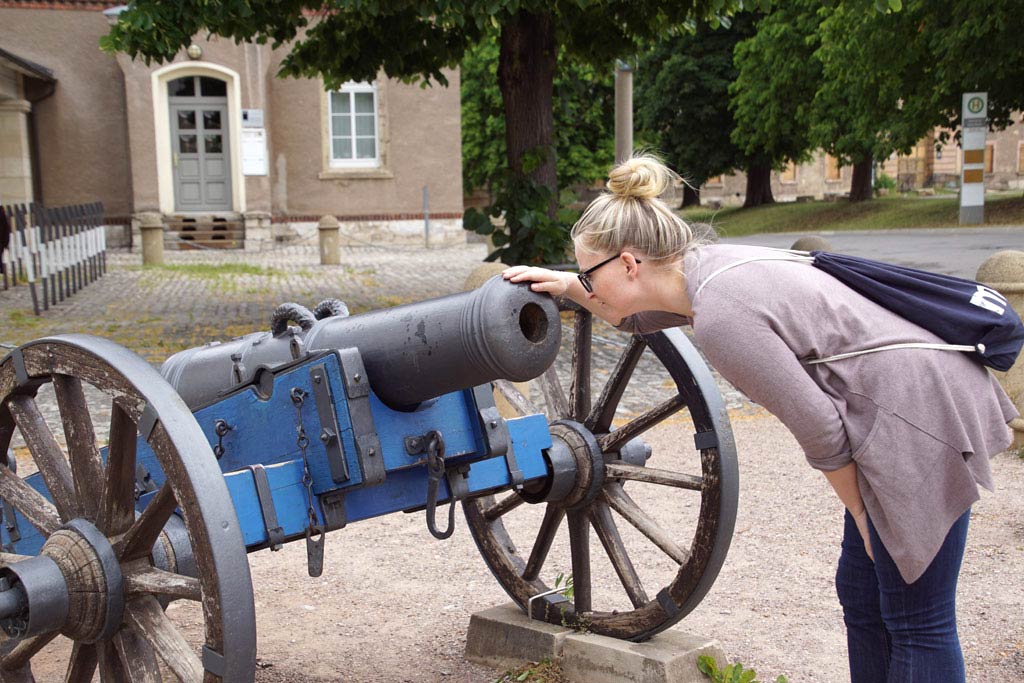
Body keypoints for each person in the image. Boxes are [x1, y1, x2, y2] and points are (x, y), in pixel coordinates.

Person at [503, 154, 1019, 683]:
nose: (588, 284)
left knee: (916, 618)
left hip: (916, 412)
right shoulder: (706, 268)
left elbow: (822, 431)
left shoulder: (724, 318)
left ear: (630, 264)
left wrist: (864, 515)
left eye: (590, 272)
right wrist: (566, 285)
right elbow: (629, 317)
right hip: (896, 400)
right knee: (862, 594)